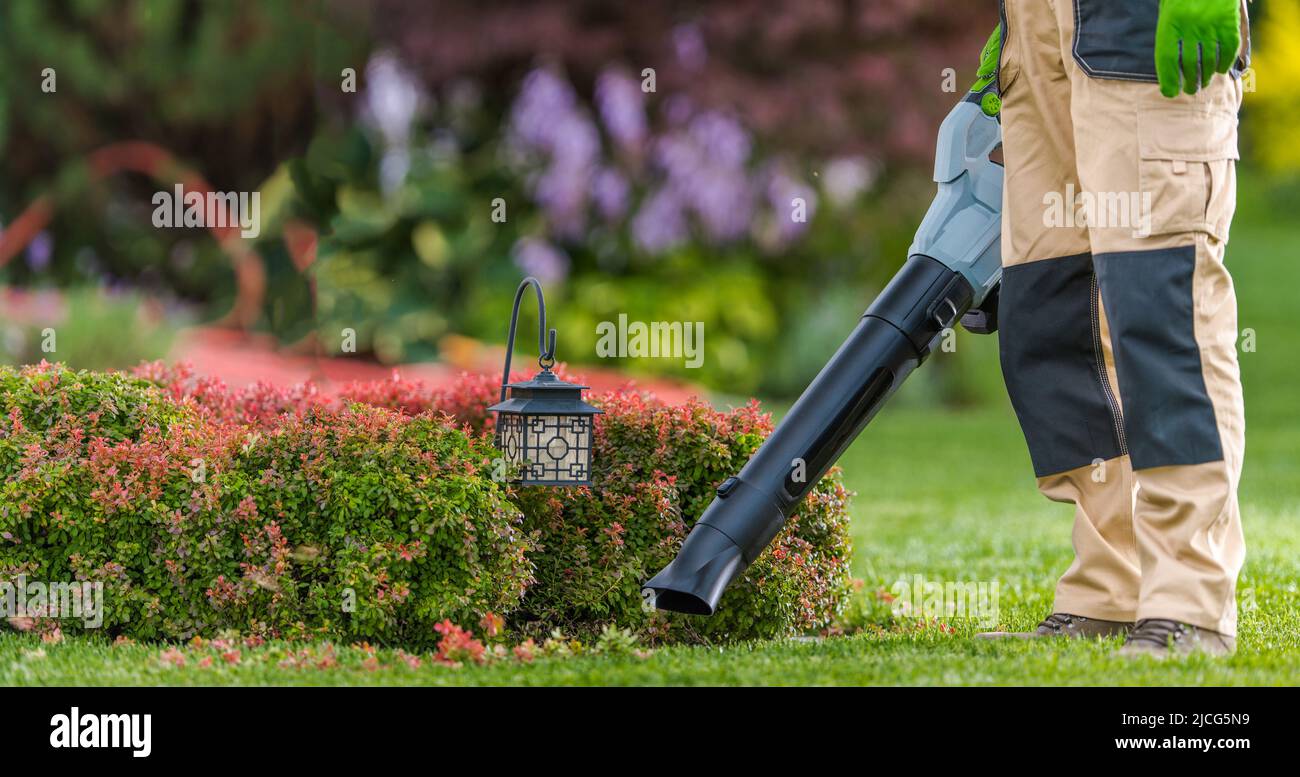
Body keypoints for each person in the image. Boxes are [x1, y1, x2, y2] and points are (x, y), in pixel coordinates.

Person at [974, 0, 1250, 657]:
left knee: (1162, 311)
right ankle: (1110, 587)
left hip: (1142, 20)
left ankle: (1190, 598)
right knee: (1052, 309)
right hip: (1039, 29)